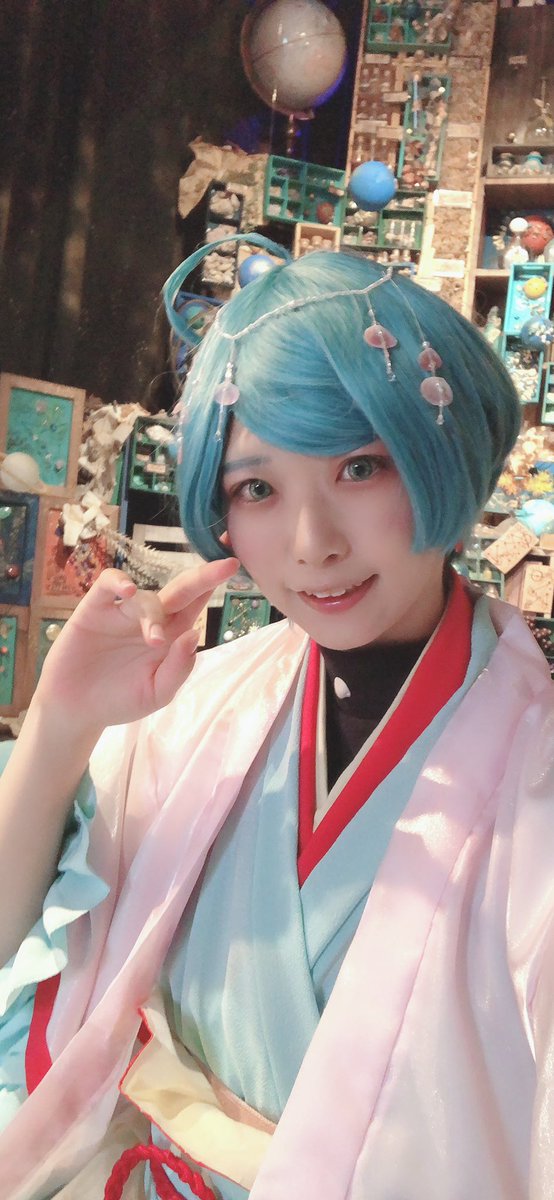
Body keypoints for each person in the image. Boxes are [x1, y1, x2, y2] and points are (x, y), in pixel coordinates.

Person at [0, 232, 552, 1200]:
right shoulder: (199, 707)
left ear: (442, 452)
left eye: (359, 468)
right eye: (256, 488)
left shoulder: (534, 770)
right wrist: (58, 726)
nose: (310, 544)